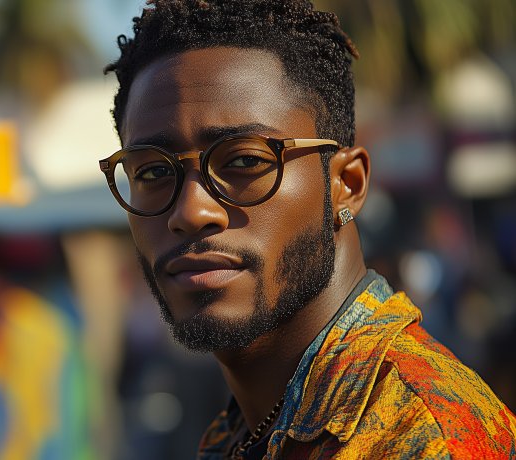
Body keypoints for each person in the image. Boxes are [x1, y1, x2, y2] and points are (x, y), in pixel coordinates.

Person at [98, 1, 516, 458]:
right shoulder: (239, 434)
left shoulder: (425, 437)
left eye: (244, 161)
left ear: (346, 185)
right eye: (152, 173)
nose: (192, 211)